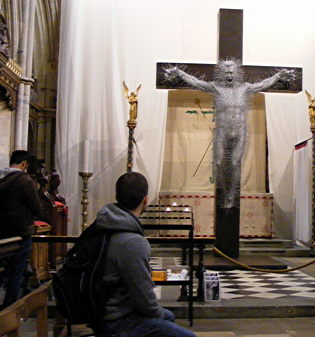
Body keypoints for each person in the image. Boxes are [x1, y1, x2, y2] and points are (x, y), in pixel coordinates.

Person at [165, 59, 295, 208]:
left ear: (236, 73)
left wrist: (278, 76)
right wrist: (179, 72)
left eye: (231, 72)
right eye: (226, 72)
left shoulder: (245, 88)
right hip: (222, 131)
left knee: (234, 162)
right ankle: (224, 191)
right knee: (219, 162)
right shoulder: (216, 87)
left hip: (240, 131)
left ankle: (231, 194)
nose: (229, 75)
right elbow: (196, 82)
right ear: (222, 73)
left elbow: (263, 84)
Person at [91, 172, 196, 337]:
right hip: (116, 319)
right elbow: (143, 296)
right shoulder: (132, 241)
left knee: (168, 316)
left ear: (117, 196)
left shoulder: (102, 225)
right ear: (145, 200)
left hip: (99, 310)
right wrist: (158, 316)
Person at [0, 150, 42, 309]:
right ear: (24, 164)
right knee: (17, 270)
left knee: (3, 269)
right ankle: (11, 308)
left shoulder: (2, 177)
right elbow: (36, 207)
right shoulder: (25, 180)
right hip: (21, 231)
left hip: (3, 231)